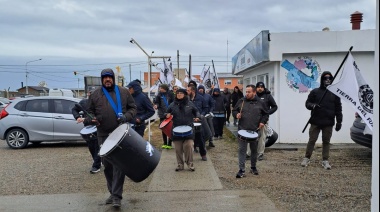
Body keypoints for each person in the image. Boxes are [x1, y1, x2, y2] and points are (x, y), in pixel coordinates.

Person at [86, 68, 137, 208]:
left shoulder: (124, 92)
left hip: (120, 133)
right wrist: (92, 119)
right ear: (101, 79)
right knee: (107, 165)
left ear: (113, 78)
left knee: (119, 165)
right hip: (102, 134)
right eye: (105, 78)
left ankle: (116, 196)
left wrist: (126, 117)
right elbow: (89, 112)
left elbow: (133, 108)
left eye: (109, 77)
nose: (107, 79)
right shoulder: (96, 94)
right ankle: (112, 192)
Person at [302, 71, 343, 170]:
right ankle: (306, 158)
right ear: (322, 79)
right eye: (325, 78)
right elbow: (307, 103)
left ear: (332, 80)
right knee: (312, 140)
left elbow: (338, 108)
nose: (327, 80)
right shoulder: (315, 92)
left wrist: (339, 121)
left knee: (326, 141)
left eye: (329, 78)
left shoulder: (335, 93)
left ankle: (325, 160)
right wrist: (313, 105)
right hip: (315, 121)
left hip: (328, 122)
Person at [232, 84, 268, 178]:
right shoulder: (241, 101)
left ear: (254, 92)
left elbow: (265, 114)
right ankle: (241, 170)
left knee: (254, 150)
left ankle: (253, 167)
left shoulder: (260, 102)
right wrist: (236, 115)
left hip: (255, 130)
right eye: (246, 92)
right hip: (242, 129)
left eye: (249, 92)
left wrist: (262, 122)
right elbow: (234, 110)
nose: (247, 94)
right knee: (242, 150)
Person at [165, 88, 201, 171]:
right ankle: (180, 165)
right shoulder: (172, 104)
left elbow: (196, 111)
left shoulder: (190, 104)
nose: (179, 94)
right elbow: (166, 112)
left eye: (181, 93)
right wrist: (167, 114)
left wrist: (197, 117)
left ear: (185, 94)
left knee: (189, 146)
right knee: (178, 149)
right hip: (176, 130)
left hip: (189, 129)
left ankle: (190, 164)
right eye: (177, 93)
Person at [71, 88, 101, 174]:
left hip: (98, 127)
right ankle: (97, 161)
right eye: (90, 93)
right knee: (91, 147)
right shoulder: (84, 102)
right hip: (88, 128)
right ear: (88, 94)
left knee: (97, 146)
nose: (91, 95)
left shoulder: (99, 103)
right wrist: (77, 117)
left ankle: (96, 165)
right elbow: (74, 109)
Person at [246, 82, 278, 161]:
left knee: (262, 137)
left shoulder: (268, 96)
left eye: (261, 87)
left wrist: (268, 112)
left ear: (264, 88)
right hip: (252, 120)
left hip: (263, 120)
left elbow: (275, 107)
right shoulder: (253, 95)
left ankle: (260, 153)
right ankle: (248, 153)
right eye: (258, 87)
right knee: (250, 136)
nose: (260, 88)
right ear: (256, 88)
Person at [187, 85, 208, 161]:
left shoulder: (201, 98)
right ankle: (189, 155)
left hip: (198, 121)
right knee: (189, 138)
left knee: (200, 137)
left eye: (188, 90)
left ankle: (203, 154)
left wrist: (200, 116)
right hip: (189, 121)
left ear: (193, 91)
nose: (187, 92)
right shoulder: (186, 99)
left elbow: (205, 108)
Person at [153, 84, 174, 149]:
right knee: (163, 128)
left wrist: (172, 112)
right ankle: (165, 143)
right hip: (162, 114)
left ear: (164, 88)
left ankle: (169, 143)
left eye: (161, 88)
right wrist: (156, 105)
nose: (160, 89)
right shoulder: (159, 95)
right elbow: (157, 102)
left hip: (170, 114)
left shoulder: (170, 94)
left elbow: (173, 102)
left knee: (170, 128)